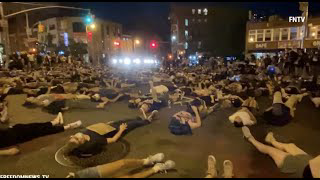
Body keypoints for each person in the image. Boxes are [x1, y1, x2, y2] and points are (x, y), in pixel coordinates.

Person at [65, 110, 159, 158]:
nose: (74, 135)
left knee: (125, 119)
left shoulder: (82, 134)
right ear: (82, 141)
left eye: (73, 136)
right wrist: (121, 130)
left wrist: (106, 124)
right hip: (115, 131)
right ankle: (148, 120)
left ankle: (140, 117)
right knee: (132, 124)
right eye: (76, 138)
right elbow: (113, 140)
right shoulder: (94, 141)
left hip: (108, 128)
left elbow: (94, 128)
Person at [242, 126, 320, 178]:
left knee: (269, 149)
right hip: (308, 162)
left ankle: (250, 138)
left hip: (302, 169)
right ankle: (272, 141)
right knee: (291, 145)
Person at [0, 112, 82, 156]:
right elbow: (13, 151)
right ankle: (68, 127)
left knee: (35, 126)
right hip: (17, 136)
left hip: (14, 129)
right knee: (41, 131)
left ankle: (54, 122)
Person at [65, 153, 175, 178]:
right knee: (127, 177)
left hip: (81, 176)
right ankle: (156, 168)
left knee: (122, 164)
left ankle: (146, 161)